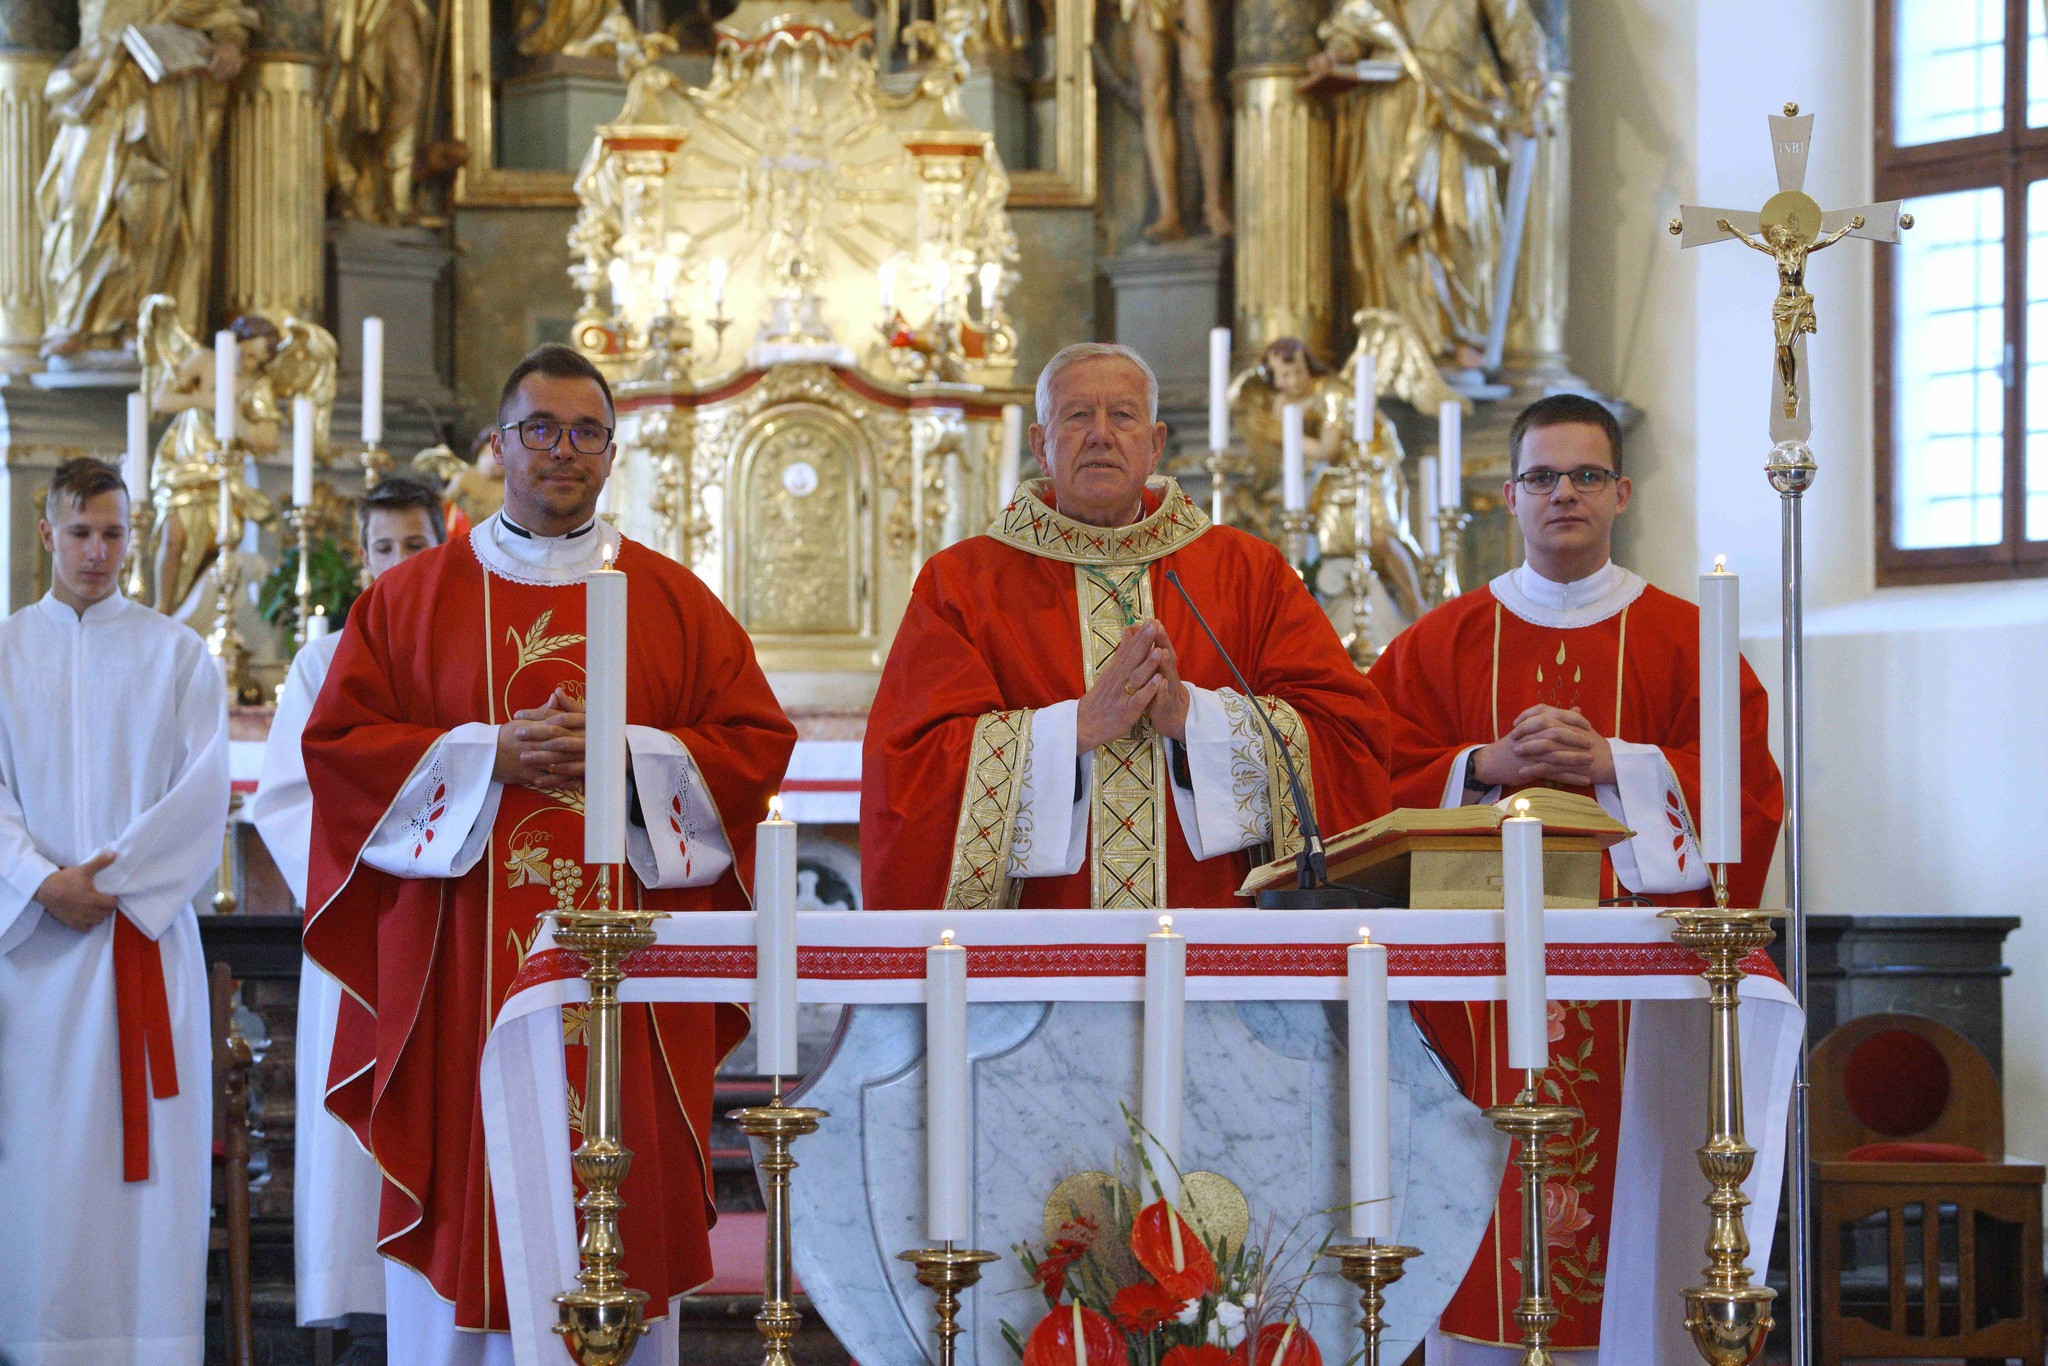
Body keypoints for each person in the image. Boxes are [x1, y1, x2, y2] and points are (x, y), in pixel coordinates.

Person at [301, 345, 797, 1364]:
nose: (560, 451)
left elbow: (753, 746)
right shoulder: (410, 601)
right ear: (496, 445)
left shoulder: (671, 600)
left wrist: (625, 756)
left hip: (632, 981)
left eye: (583, 432)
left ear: (612, 453)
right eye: (539, 429)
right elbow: (340, 756)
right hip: (462, 983)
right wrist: (488, 753)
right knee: (467, 1194)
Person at [1365, 394, 1785, 1364]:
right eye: (1542, 476)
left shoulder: (1686, 639)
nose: (1563, 493)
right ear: (1506, 495)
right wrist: (1479, 766)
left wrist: (1613, 763)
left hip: (1632, 999)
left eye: (1584, 475)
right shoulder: (1438, 641)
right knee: (1481, 1226)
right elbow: (1361, 781)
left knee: (1635, 1211)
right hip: (1476, 1002)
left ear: (1621, 494)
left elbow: (1747, 792)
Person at [863, 342, 1392, 912]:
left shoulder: (1245, 572)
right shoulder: (964, 582)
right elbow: (910, 767)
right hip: (1035, 953)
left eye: (1122, 415)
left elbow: (1346, 734)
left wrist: (1194, 719)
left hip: (1213, 943)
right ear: (1041, 445)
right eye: (1077, 415)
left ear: (1155, 443)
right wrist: (1079, 727)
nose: (1100, 434)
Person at [0, 458, 230, 1365]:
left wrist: (114, 882)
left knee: (149, 1183)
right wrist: (36, 881)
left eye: (114, 533)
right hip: (36, 957)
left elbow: (200, 793)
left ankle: (151, 1343)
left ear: (134, 537)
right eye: (81, 532)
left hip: (141, 941)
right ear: (47, 535)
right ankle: (41, 1341)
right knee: (45, 1166)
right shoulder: (6, 652)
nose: (98, 551)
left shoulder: (176, 654)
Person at [249, 477, 444, 1332]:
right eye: (385, 547)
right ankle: (365, 1311)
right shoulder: (321, 662)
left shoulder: (475, 654)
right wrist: (375, 881)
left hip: (458, 934)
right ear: (361, 562)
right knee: (362, 1134)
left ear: (448, 548)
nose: (400, 563)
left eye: (417, 544)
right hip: (365, 930)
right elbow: (289, 800)